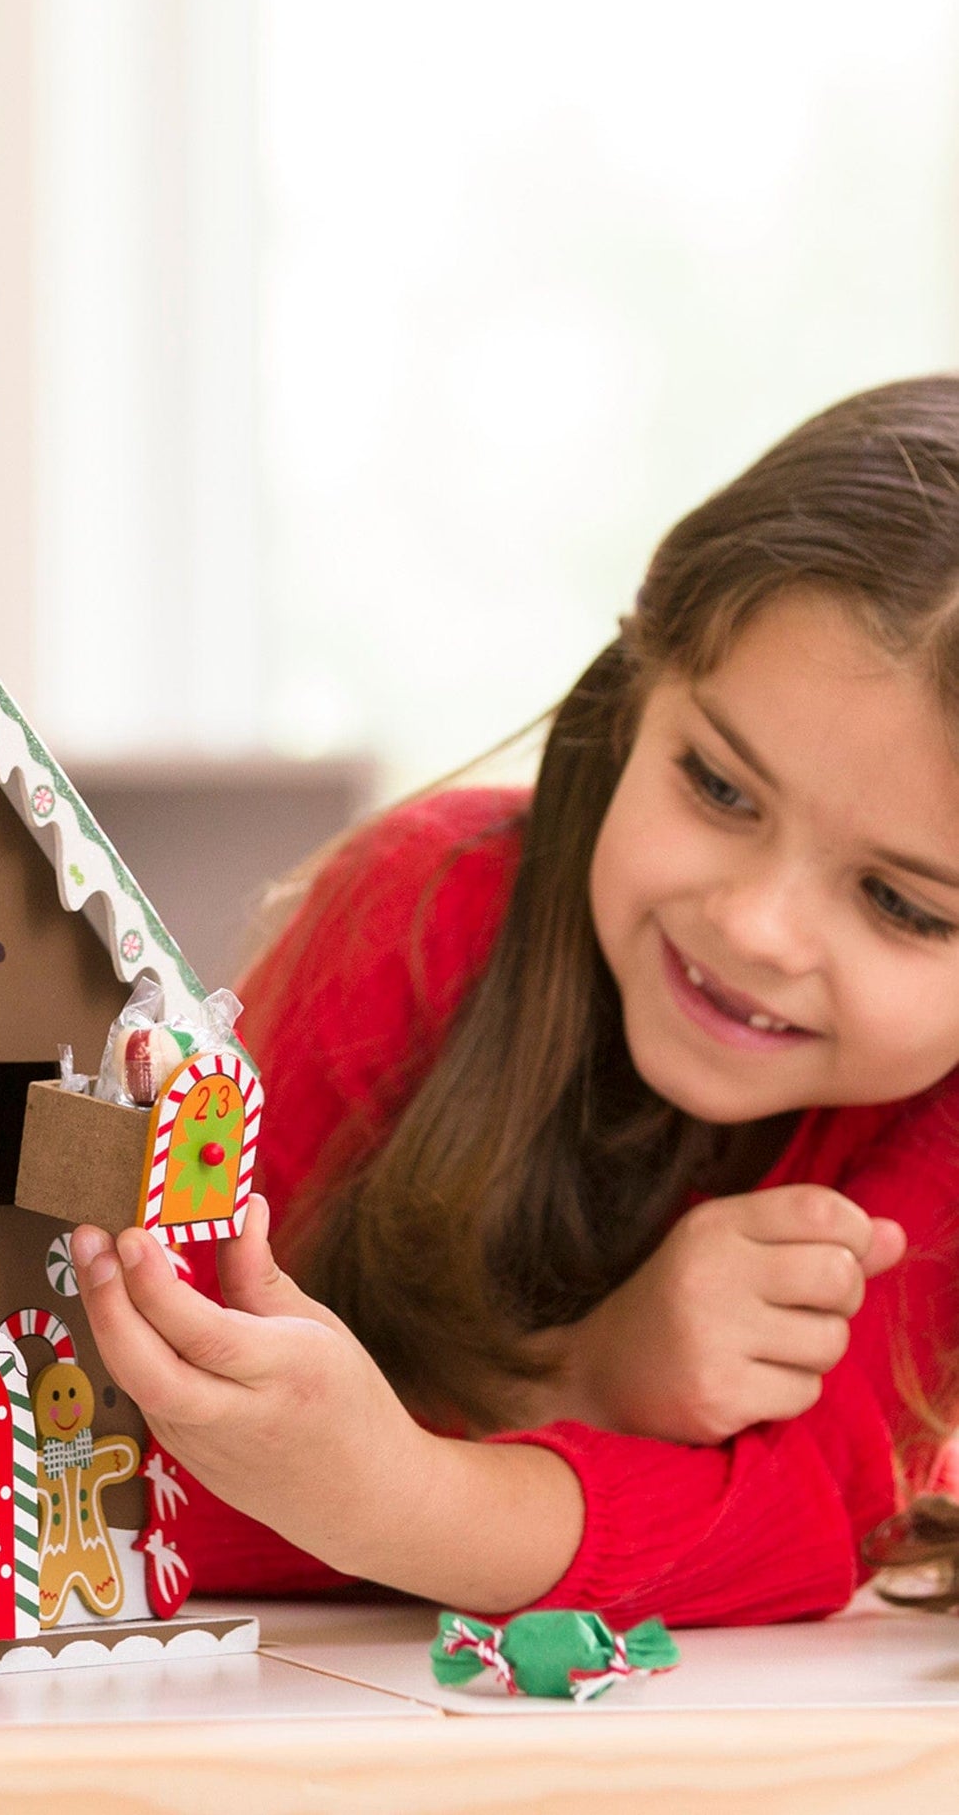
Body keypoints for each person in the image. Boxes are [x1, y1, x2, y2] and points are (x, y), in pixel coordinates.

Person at [73, 377, 959, 1626]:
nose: (755, 924)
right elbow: (109, 1463)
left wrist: (395, 1483)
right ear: (635, 690)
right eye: (715, 784)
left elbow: (799, 1532)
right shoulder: (421, 909)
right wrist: (577, 1378)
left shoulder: (940, 1117)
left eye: (903, 904)